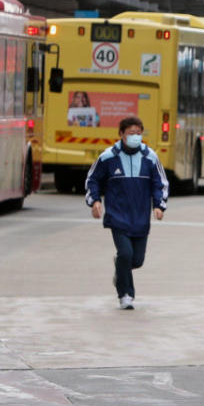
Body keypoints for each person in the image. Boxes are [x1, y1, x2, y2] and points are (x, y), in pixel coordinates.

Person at [85, 116, 168, 310]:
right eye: (131, 134)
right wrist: (95, 201)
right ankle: (126, 295)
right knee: (125, 253)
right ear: (121, 134)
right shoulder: (108, 157)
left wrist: (159, 205)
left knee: (136, 260)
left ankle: (121, 268)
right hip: (117, 217)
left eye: (138, 134)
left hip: (140, 218)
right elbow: (93, 180)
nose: (135, 137)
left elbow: (160, 183)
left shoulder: (150, 157)